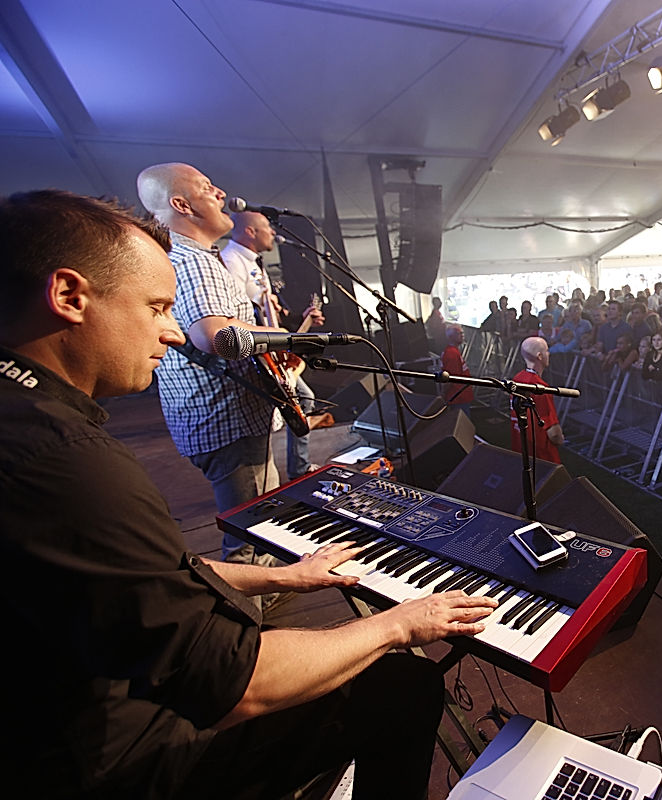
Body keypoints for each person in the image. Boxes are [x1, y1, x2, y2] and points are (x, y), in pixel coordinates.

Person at [0, 189, 499, 799]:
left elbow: (144, 575)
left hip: (56, 715)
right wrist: (398, 624)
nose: (172, 334)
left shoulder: (25, 419)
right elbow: (235, 681)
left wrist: (282, 578)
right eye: (157, 308)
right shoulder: (68, 464)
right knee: (403, 686)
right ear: (70, 296)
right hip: (111, 759)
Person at [137, 163, 286, 576]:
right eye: (206, 188)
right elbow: (214, 335)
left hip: (215, 421)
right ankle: (243, 630)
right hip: (229, 423)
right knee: (251, 538)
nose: (221, 193)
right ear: (181, 205)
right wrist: (287, 339)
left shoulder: (186, 256)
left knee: (261, 528)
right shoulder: (195, 261)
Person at [221, 209, 327, 481]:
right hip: (255, 355)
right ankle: (295, 469)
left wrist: (297, 318)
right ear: (249, 231)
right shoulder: (232, 261)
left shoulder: (254, 264)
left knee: (302, 399)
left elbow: (270, 311)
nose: (273, 232)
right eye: (267, 227)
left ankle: (298, 467)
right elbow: (234, 315)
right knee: (299, 400)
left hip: (270, 350)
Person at [510, 336, 565, 463]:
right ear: (540, 356)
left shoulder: (518, 378)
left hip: (521, 448)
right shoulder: (540, 388)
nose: (549, 353)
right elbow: (553, 433)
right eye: (547, 350)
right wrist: (560, 438)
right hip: (541, 454)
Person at [441, 324, 475, 411]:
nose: (462, 335)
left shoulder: (453, 351)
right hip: (458, 397)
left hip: (460, 395)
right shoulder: (452, 354)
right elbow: (451, 378)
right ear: (451, 336)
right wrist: (443, 395)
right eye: (459, 333)